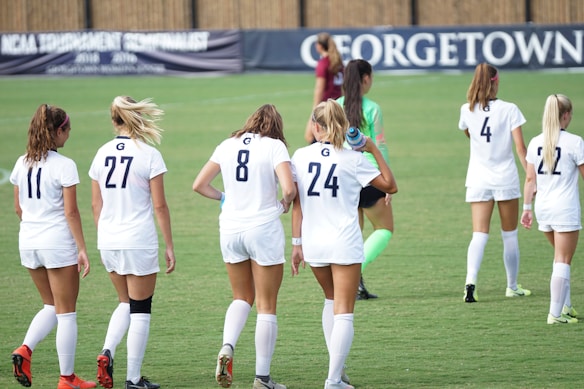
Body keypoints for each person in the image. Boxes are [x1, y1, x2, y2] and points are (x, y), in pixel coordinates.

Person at [291, 99, 397, 389]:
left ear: (315, 126)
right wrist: (372, 147)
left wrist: (296, 243)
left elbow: (295, 202)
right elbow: (391, 185)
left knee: (330, 300)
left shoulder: (299, 156)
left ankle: (337, 370)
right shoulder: (354, 158)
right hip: (344, 243)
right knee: (345, 310)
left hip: (313, 243)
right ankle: (333, 379)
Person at [192, 104, 295, 389]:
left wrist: (224, 197)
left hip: (230, 229)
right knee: (267, 306)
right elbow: (288, 189)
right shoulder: (275, 147)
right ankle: (262, 378)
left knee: (241, 296)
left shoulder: (227, 144)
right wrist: (284, 204)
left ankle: (227, 346)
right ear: (276, 127)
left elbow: (199, 184)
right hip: (263, 228)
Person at [89, 96, 176, 389]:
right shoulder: (148, 154)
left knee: (125, 302)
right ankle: (133, 378)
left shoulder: (101, 153)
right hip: (138, 239)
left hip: (108, 239)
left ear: (114, 121)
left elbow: (95, 205)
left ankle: (107, 350)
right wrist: (169, 245)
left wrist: (106, 234)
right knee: (141, 307)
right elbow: (160, 206)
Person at [10, 104, 96, 389]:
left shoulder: (22, 163)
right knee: (66, 312)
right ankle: (67, 378)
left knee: (51, 305)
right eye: (67, 131)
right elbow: (71, 213)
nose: (68, 136)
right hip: (56, 243)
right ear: (58, 131)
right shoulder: (64, 165)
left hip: (29, 243)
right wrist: (82, 249)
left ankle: (24, 350)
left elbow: (18, 209)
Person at [458, 62, 531, 303]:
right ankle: (511, 286)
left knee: (479, 234)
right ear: (495, 81)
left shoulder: (467, 110)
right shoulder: (509, 109)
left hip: (478, 178)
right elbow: (520, 148)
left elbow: (469, 133)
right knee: (509, 234)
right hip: (505, 177)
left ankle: (470, 282)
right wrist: (532, 176)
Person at [521, 94, 583, 324]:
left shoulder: (536, 142)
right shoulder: (575, 142)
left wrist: (526, 208)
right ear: (566, 115)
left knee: (560, 257)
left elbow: (529, 180)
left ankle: (566, 306)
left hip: (543, 208)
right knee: (563, 260)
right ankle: (555, 315)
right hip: (565, 209)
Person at [337, 59, 392, 300]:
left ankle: (355, 285)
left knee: (354, 233)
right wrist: (387, 179)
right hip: (369, 176)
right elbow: (379, 144)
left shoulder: (335, 107)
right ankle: (354, 273)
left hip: (343, 177)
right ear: (366, 79)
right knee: (384, 229)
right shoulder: (372, 108)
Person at [304, 32, 344, 144]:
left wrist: (314, 109)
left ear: (319, 46)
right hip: (338, 106)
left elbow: (319, 89)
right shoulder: (338, 62)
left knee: (310, 137)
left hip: (325, 107)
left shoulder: (323, 63)